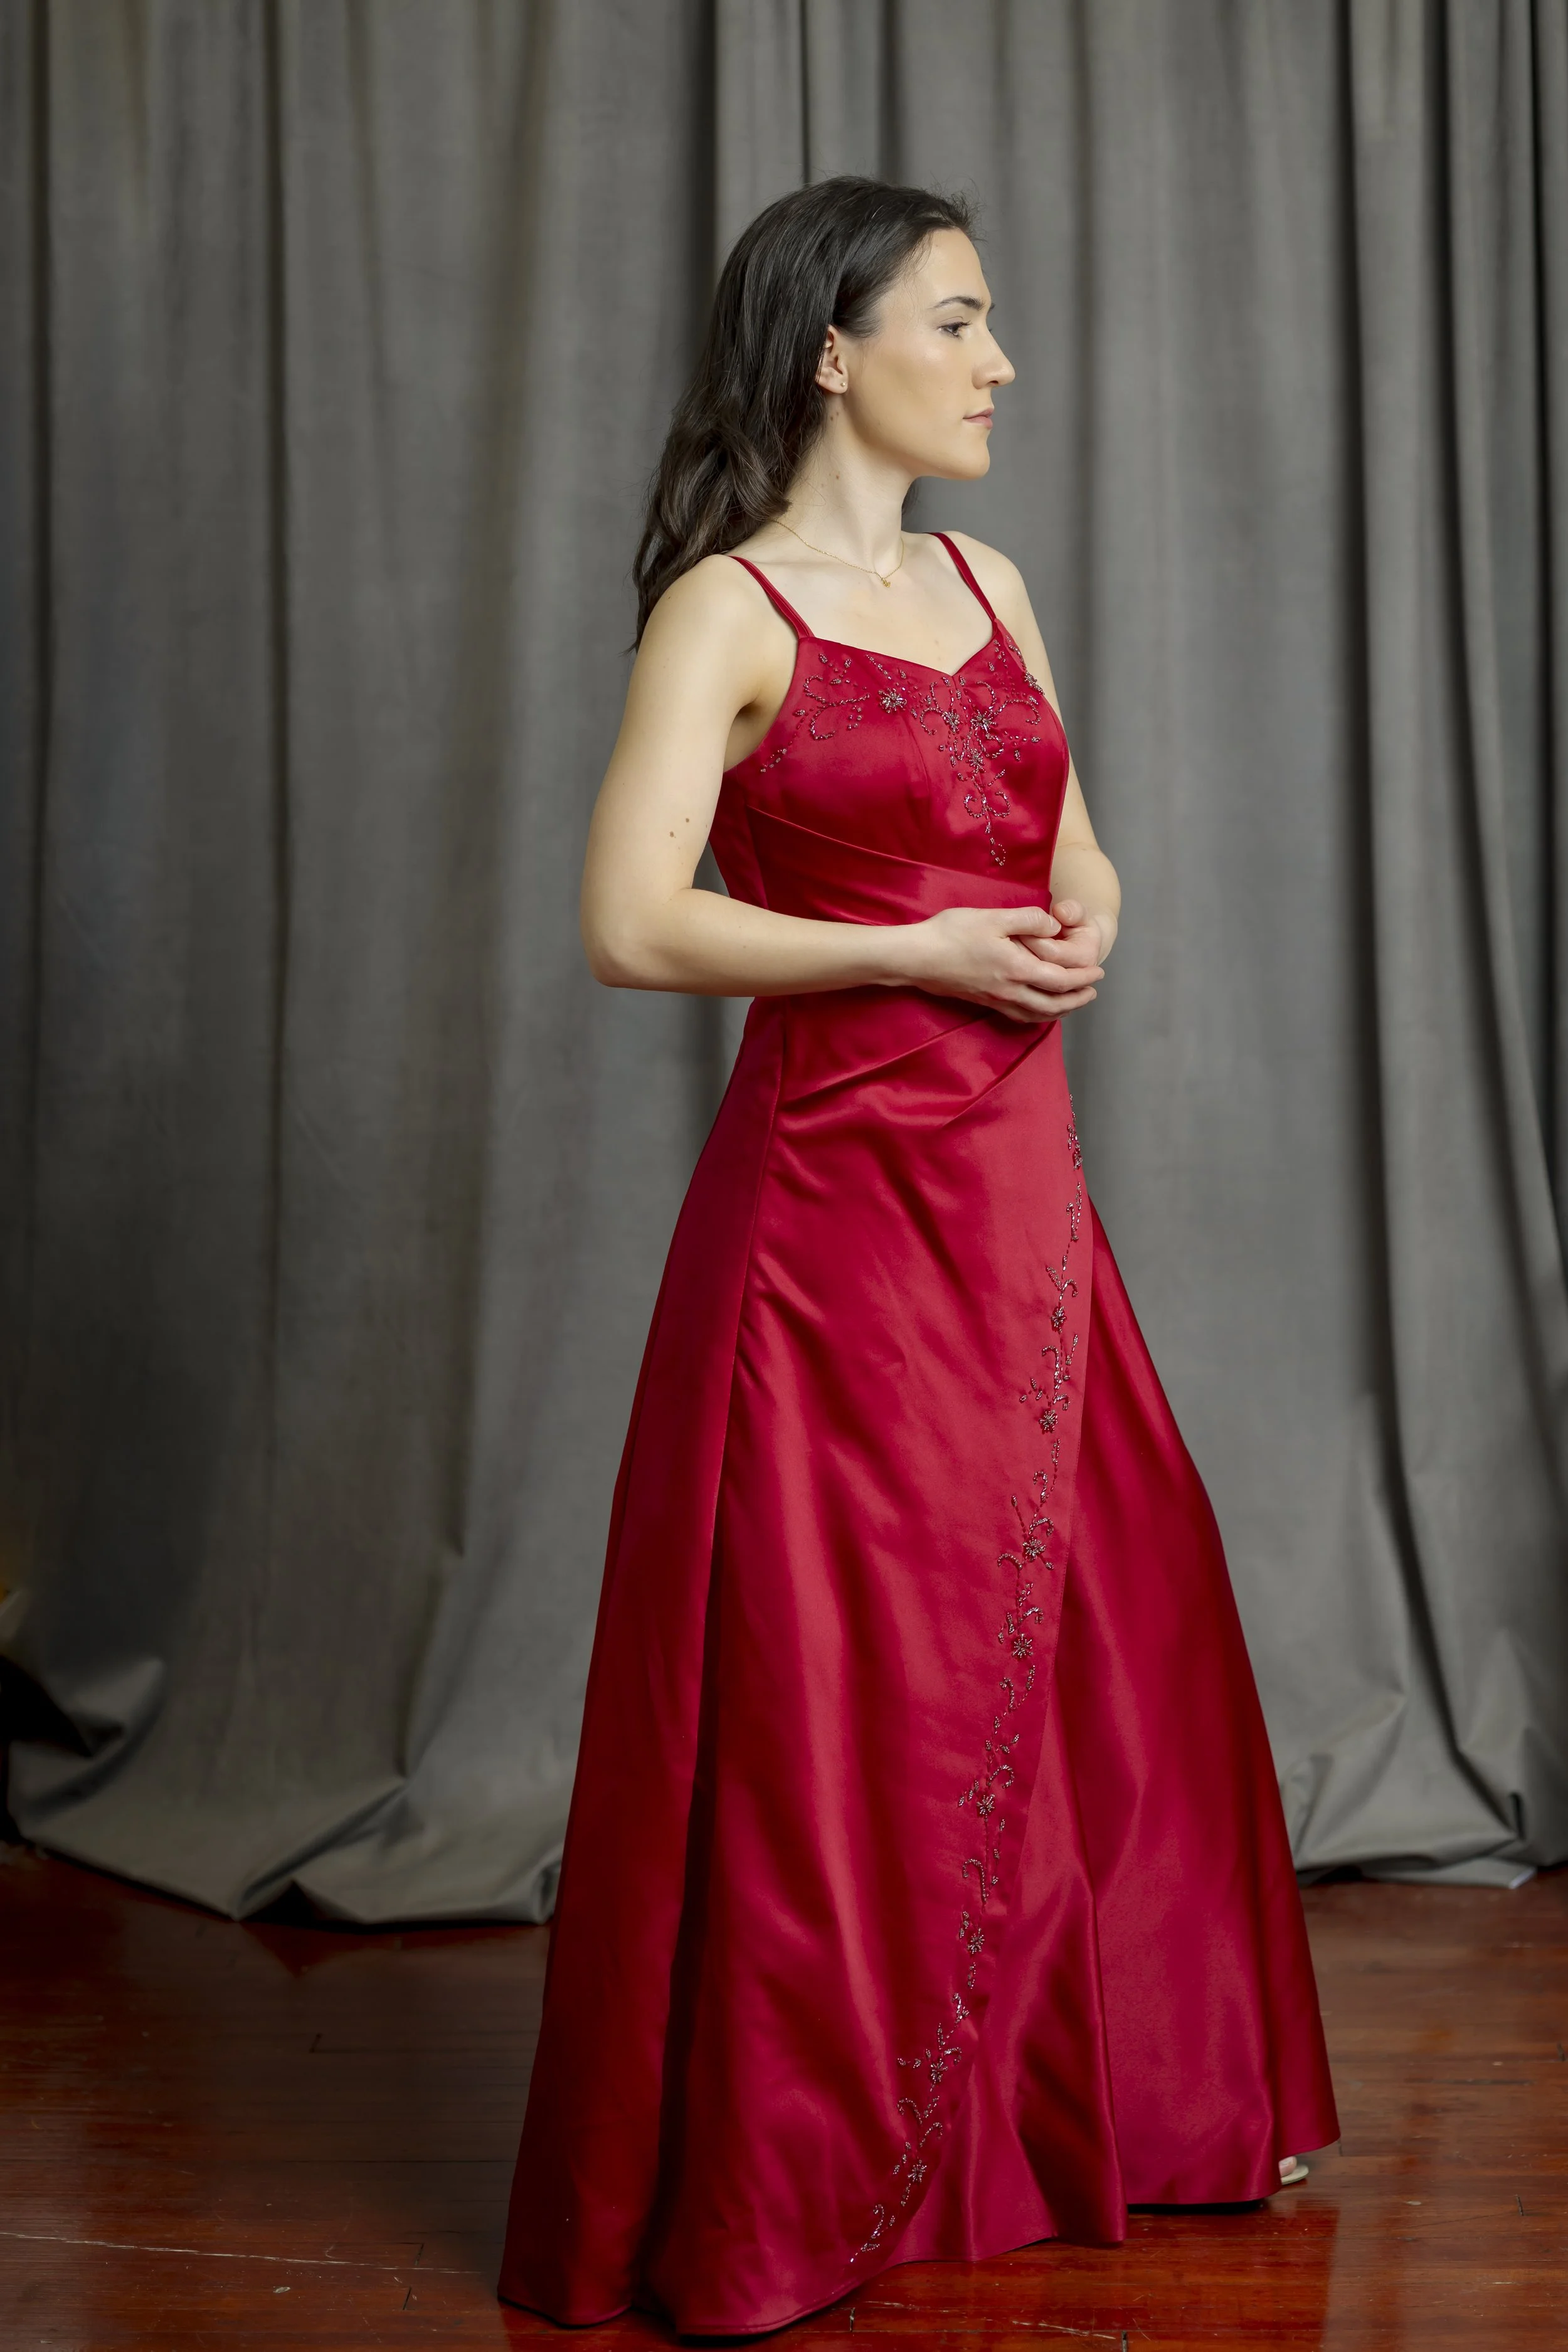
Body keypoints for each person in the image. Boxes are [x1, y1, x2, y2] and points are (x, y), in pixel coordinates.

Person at [498, 176, 1338, 2338]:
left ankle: (1085, 2119)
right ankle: (800, 2184)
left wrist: (1086, 909)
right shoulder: (727, 613)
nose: (1000, 361)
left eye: (992, 323)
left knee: (1079, 1641)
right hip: (830, 1223)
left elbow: (1063, 840)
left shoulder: (989, 577)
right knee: (830, 1680)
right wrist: (915, 945)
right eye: (958, 322)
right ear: (829, 351)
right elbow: (627, 918)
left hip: (1019, 1202)